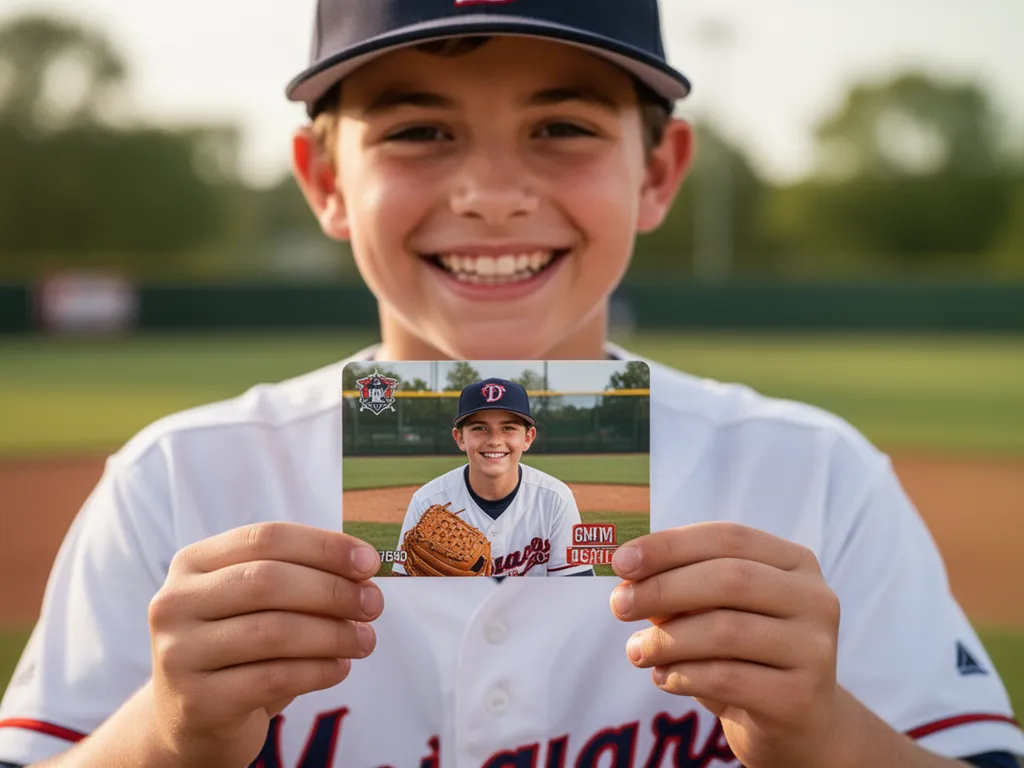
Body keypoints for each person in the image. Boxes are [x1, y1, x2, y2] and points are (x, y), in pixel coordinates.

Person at [0, 0, 1021, 766]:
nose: (492, 195)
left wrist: (828, 736)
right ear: (326, 182)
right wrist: (165, 736)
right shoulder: (178, 481)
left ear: (658, 171)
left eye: (561, 127)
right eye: (418, 131)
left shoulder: (815, 475)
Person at [391, 377, 594, 578]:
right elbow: (403, 587)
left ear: (528, 438)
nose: (494, 441)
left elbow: (577, 588)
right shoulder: (427, 501)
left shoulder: (556, 499)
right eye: (479, 428)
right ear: (460, 438)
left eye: (508, 428)